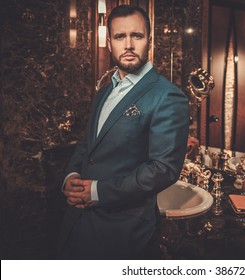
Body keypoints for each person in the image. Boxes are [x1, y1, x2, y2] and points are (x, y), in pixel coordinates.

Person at [58, 5, 189, 259]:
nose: (128, 45)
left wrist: (97, 191)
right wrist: (71, 174)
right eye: (120, 37)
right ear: (109, 43)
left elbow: (164, 169)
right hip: (78, 221)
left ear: (149, 40)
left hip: (123, 231)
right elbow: (89, 144)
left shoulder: (168, 95)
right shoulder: (105, 90)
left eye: (136, 36)